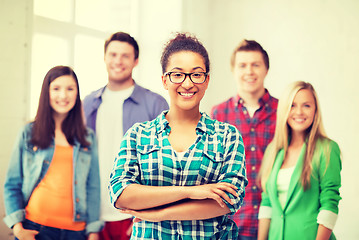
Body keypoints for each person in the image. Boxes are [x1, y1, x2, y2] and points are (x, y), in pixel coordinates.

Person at [108, 32, 248, 239]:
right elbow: (120, 194)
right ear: (165, 80)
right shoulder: (138, 135)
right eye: (177, 74)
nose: (188, 83)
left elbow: (228, 199)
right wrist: (192, 191)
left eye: (196, 74)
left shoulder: (227, 136)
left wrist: (158, 214)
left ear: (207, 80)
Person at [83, 32, 169, 240]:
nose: (118, 61)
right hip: (93, 215)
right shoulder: (87, 103)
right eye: (113, 54)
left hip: (134, 215)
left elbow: (167, 163)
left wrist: (148, 213)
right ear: (105, 57)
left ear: (135, 61)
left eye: (125, 56)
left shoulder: (155, 104)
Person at [3, 66, 102, 240]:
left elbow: (93, 187)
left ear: (77, 94)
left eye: (70, 89)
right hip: (34, 228)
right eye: (56, 88)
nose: (63, 95)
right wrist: (18, 229)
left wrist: (93, 232)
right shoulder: (28, 132)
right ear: (46, 92)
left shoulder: (87, 138)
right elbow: (12, 184)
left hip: (76, 232)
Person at [257, 81, 342, 240]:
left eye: (307, 105)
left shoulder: (327, 149)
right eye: (292, 105)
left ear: (315, 110)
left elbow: (329, 204)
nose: (299, 112)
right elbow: (267, 202)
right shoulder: (273, 150)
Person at [211, 40, 278, 240]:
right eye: (243, 65)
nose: (249, 71)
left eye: (255, 65)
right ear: (233, 70)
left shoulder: (283, 112)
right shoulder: (218, 114)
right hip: (232, 223)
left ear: (266, 69)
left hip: (276, 221)